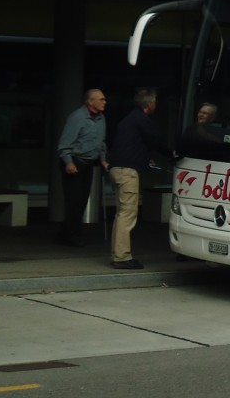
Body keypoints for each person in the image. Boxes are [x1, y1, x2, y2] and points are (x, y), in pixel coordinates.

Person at [106, 88, 169, 270]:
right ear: (149, 105)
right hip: (127, 172)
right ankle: (122, 257)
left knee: (121, 214)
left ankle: (118, 254)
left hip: (116, 169)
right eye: (155, 102)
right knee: (128, 214)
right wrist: (172, 153)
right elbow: (156, 141)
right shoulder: (142, 120)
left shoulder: (128, 120)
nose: (156, 104)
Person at [55, 89, 109, 247]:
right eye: (101, 99)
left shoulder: (101, 118)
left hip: (89, 163)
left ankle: (66, 232)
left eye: (104, 99)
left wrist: (103, 160)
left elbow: (101, 142)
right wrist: (68, 162)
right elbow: (64, 144)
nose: (104, 102)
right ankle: (71, 236)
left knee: (82, 200)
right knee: (73, 201)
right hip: (75, 162)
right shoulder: (77, 117)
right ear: (90, 102)